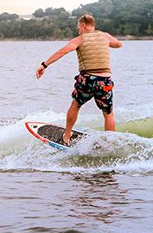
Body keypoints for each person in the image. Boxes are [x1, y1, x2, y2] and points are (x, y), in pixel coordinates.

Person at [35, 13, 122, 145]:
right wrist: (104, 43)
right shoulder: (104, 36)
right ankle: (110, 143)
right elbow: (118, 44)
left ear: (83, 25)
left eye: (79, 28)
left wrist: (44, 65)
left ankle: (67, 135)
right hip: (105, 82)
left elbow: (62, 52)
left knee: (75, 105)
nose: (78, 30)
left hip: (88, 80)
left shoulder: (80, 39)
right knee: (108, 113)